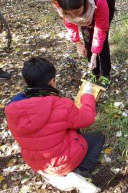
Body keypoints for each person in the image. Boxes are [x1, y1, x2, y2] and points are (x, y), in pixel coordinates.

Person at [5, 57, 105, 185]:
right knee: (98, 137)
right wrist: (87, 95)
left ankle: (53, 175)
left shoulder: (12, 109)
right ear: (52, 81)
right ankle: (80, 171)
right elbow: (88, 118)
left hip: (38, 165)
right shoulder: (61, 105)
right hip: (62, 163)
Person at [51, 0, 116, 88]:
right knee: (88, 41)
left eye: (76, 12)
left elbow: (101, 30)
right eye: (69, 13)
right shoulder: (62, 2)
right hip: (85, 15)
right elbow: (69, 22)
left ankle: (105, 73)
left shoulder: (99, 0)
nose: (73, 16)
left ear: (83, 0)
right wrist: (77, 42)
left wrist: (95, 53)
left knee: (102, 43)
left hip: (100, 9)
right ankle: (95, 72)